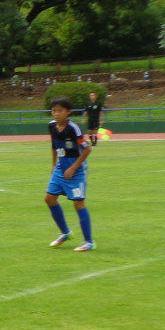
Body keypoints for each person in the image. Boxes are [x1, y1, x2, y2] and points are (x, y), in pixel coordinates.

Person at [45, 96, 94, 252]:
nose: (56, 114)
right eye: (54, 111)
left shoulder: (74, 129)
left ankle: (88, 242)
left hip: (76, 169)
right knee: (49, 198)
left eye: (60, 111)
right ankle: (65, 233)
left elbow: (87, 149)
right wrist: (54, 164)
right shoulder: (51, 126)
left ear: (68, 112)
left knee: (78, 202)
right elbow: (54, 145)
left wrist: (73, 168)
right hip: (61, 168)